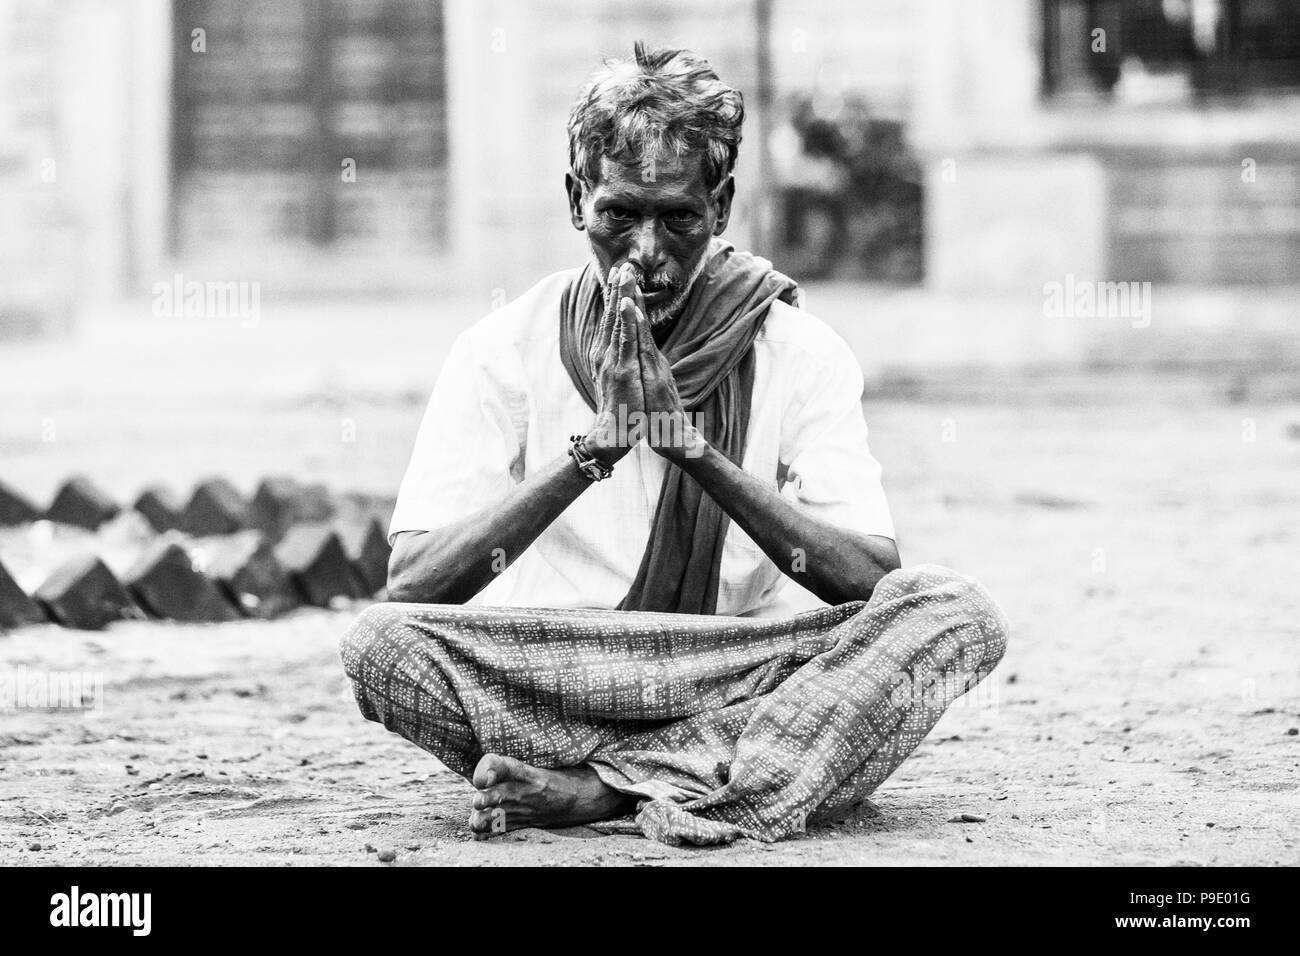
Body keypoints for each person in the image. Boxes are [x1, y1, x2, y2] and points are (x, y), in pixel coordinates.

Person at [339, 42, 1007, 846]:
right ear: (576, 200)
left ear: (720, 208)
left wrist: (692, 450)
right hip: (557, 670)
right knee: (377, 647)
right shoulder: (499, 350)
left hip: (733, 670)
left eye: (679, 219)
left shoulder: (799, 352)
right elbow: (414, 584)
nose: (648, 253)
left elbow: (867, 579)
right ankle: (701, 778)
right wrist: (592, 453)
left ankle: (602, 793)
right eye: (620, 215)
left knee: (951, 615)